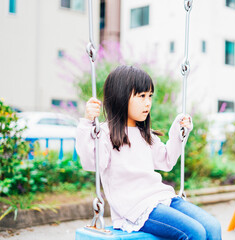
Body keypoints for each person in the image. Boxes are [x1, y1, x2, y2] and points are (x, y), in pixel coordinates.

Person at [76, 65, 221, 240]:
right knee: (194, 232)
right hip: (135, 207)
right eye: (141, 96)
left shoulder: (145, 134)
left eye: (150, 96)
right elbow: (91, 163)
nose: (148, 103)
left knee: (213, 227)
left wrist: (178, 132)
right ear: (121, 97)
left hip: (161, 198)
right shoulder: (106, 134)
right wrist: (87, 123)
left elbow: (167, 161)